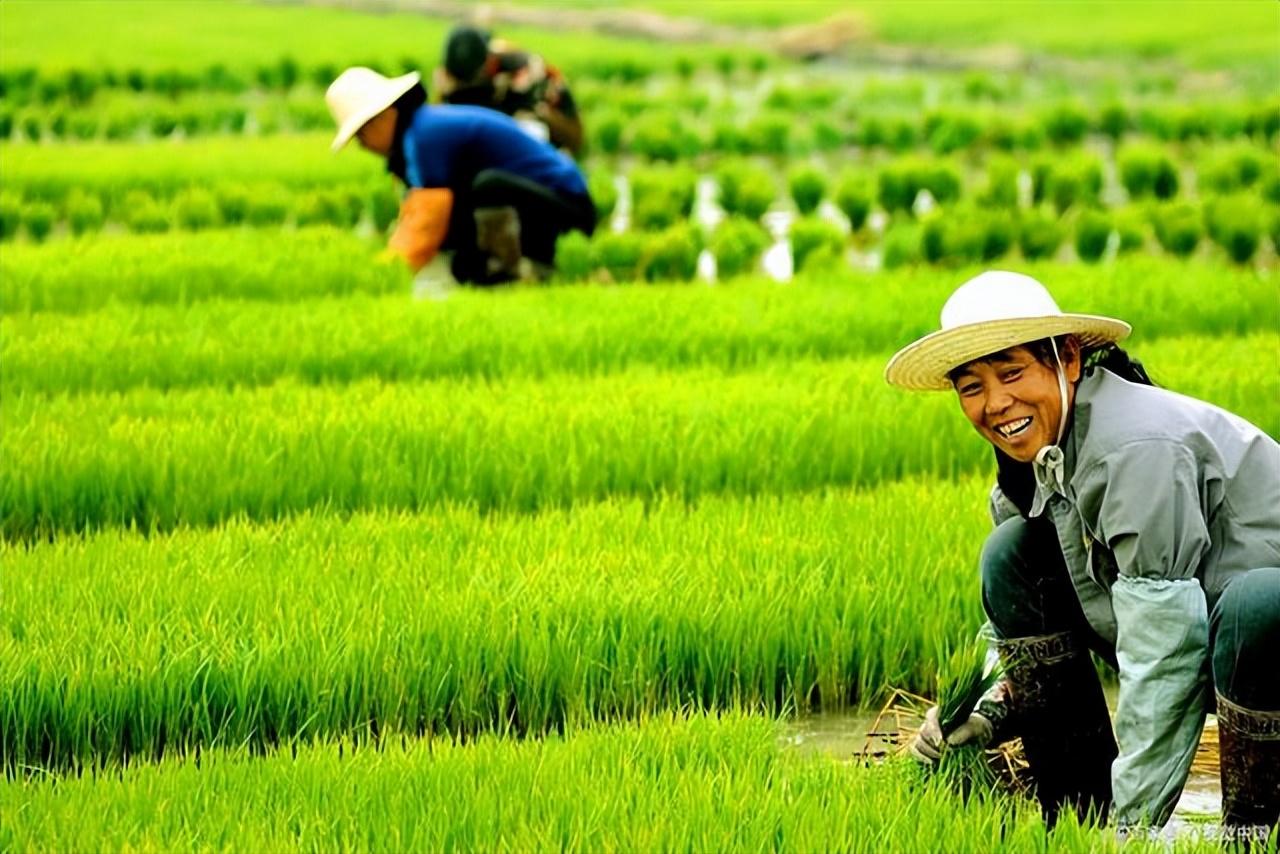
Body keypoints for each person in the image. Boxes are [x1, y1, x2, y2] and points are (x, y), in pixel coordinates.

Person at [886, 271, 1279, 840]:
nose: (996, 404)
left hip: (1262, 652)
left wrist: (1132, 830)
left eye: (1012, 372)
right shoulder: (1036, 470)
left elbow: (1163, 653)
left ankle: (1252, 834)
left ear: (1067, 359)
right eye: (971, 387)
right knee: (1012, 553)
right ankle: (1073, 817)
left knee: (1259, 603)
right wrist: (982, 709)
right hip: (1218, 651)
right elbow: (1016, 626)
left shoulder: (1135, 450)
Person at [325, 66, 595, 285]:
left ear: (383, 116)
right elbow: (416, 211)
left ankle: (521, 269)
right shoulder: (420, 132)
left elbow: (429, 217)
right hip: (542, 204)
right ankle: (492, 270)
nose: (363, 145)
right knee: (464, 259)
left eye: (361, 134)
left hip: (569, 206)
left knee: (487, 187)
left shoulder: (424, 136)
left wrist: (388, 270)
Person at [433, 25, 585, 157]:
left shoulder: (522, 71)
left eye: (468, 83)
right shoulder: (455, 74)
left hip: (560, 134)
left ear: (488, 64)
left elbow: (571, 137)